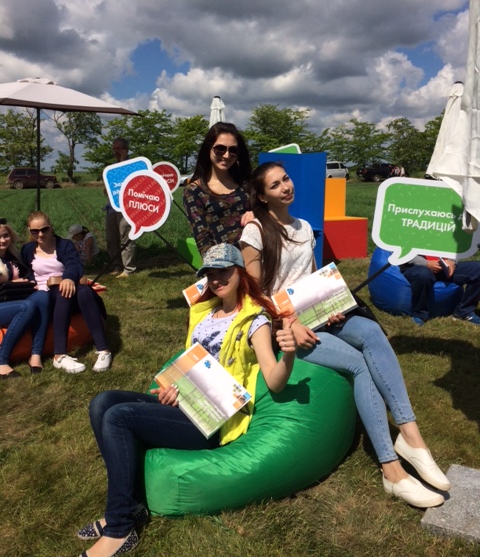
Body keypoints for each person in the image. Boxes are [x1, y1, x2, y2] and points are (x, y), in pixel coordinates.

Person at [240, 161, 450, 508]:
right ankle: (391, 469)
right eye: (275, 185)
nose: (286, 187)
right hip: (284, 328)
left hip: (317, 316)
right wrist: (290, 322)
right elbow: (254, 293)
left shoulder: (303, 227)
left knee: (371, 331)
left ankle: (411, 435)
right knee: (359, 364)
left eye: (286, 179)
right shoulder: (255, 231)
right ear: (262, 197)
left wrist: (328, 304)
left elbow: (309, 279)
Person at [76, 243, 296, 557]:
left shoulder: (254, 320)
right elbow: (191, 362)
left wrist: (288, 354)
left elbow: (274, 380)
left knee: (118, 417)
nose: (217, 279)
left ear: (239, 271)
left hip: (214, 416)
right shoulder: (205, 311)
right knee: (102, 402)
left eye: (223, 271)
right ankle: (131, 507)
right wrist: (173, 388)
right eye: (210, 273)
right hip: (186, 401)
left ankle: (119, 527)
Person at [22, 211, 112, 373]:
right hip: (46, 295)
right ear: (30, 231)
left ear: (50, 227)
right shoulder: (27, 250)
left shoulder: (64, 245)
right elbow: (24, 271)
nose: (40, 234)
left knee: (84, 291)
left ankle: (103, 350)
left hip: (68, 288)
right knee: (64, 291)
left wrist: (69, 278)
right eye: (35, 231)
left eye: (44, 229)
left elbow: (74, 264)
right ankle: (59, 355)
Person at [183, 122, 252, 256]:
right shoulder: (194, 191)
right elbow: (203, 240)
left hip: (260, 255)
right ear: (208, 149)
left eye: (233, 150)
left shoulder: (247, 182)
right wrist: (221, 264)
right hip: (225, 262)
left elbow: (270, 214)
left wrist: (258, 216)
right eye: (220, 149)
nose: (226, 155)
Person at [0, 219, 50, 377]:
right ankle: (1, 361)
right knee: (27, 307)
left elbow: (27, 274)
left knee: (43, 296)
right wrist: (11, 283)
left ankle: (36, 354)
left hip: (13, 300)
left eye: (5, 235)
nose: (3, 240)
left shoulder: (12, 256)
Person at [400, 255, 480, 326]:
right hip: (416, 266)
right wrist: (426, 263)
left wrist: (452, 261)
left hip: (444, 267)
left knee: (477, 268)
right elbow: (403, 251)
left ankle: (464, 311)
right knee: (422, 274)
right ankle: (420, 314)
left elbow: (453, 248)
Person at [105, 137, 136, 277]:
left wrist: (123, 161)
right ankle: (116, 265)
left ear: (125, 150)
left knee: (126, 237)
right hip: (112, 207)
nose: (115, 151)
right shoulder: (112, 166)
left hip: (126, 209)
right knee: (111, 239)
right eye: (114, 149)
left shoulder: (132, 165)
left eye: (118, 149)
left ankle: (128, 268)